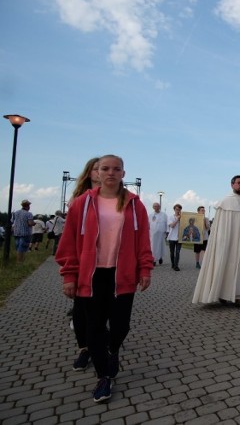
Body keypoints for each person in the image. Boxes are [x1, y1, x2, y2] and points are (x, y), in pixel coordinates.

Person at [56, 154, 153, 403]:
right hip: (92, 274)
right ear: (96, 172)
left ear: (123, 173)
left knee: (121, 326)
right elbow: (68, 242)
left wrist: (145, 269)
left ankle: (111, 350)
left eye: (116, 169)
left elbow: (143, 240)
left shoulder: (134, 204)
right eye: (105, 168)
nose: (110, 172)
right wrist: (69, 274)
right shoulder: (82, 203)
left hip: (123, 274)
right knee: (94, 327)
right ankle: (103, 377)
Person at [192, 176, 240, 308]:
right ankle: (222, 294)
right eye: (239, 183)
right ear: (232, 185)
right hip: (228, 243)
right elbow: (218, 227)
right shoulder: (225, 202)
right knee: (225, 266)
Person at [67, 157, 101, 372]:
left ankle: (100, 343)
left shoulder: (118, 200)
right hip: (83, 264)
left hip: (108, 264)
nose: (102, 173)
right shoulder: (78, 201)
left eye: (106, 169)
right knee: (81, 310)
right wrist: (69, 272)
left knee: (102, 310)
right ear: (89, 173)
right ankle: (85, 349)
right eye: (97, 169)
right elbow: (69, 239)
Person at [148, 202, 168, 266]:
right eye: (155, 206)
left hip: (161, 234)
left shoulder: (164, 215)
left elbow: (166, 224)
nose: (156, 207)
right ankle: (153, 260)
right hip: (153, 234)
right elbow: (148, 224)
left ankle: (160, 257)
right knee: (153, 247)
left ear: (159, 207)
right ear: (153, 207)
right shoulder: (151, 215)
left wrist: (167, 232)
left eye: (157, 206)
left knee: (160, 246)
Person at [167, 204, 183, 271]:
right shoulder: (170, 217)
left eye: (179, 209)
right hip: (172, 238)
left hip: (179, 238)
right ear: (174, 210)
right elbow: (172, 226)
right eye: (176, 209)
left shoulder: (182, 217)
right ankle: (173, 264)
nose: (178, 210)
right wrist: (177, 219)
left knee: (177, 252)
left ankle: (176, 266)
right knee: (172, 252)